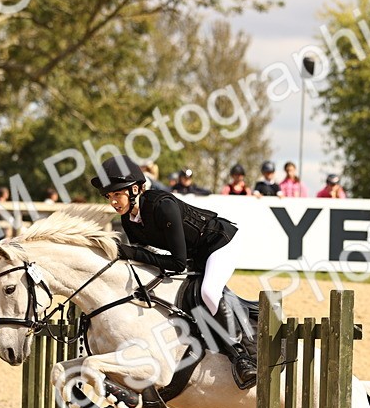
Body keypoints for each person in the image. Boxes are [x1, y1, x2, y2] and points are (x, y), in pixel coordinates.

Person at [90, 155, 257, 389]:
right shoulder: (128, 220)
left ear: (135, 189)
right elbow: (145, 258)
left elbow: (176, 263)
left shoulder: (162, 206)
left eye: (117, 194)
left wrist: (130, 252)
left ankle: (241, 356)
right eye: (109, 196)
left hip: (219, 243)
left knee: (208, 292)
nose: (113, 202)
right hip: (194, 254)